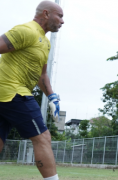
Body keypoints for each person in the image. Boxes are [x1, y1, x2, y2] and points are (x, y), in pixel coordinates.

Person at [0, 1, 64, 180]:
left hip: (5, 96)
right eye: (59, 16)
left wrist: (52, 96)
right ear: (46, 14)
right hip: (13, 92)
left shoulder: (45, 43)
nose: (62, 21)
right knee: (42, 137)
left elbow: (41, 75)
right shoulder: (26, 30)